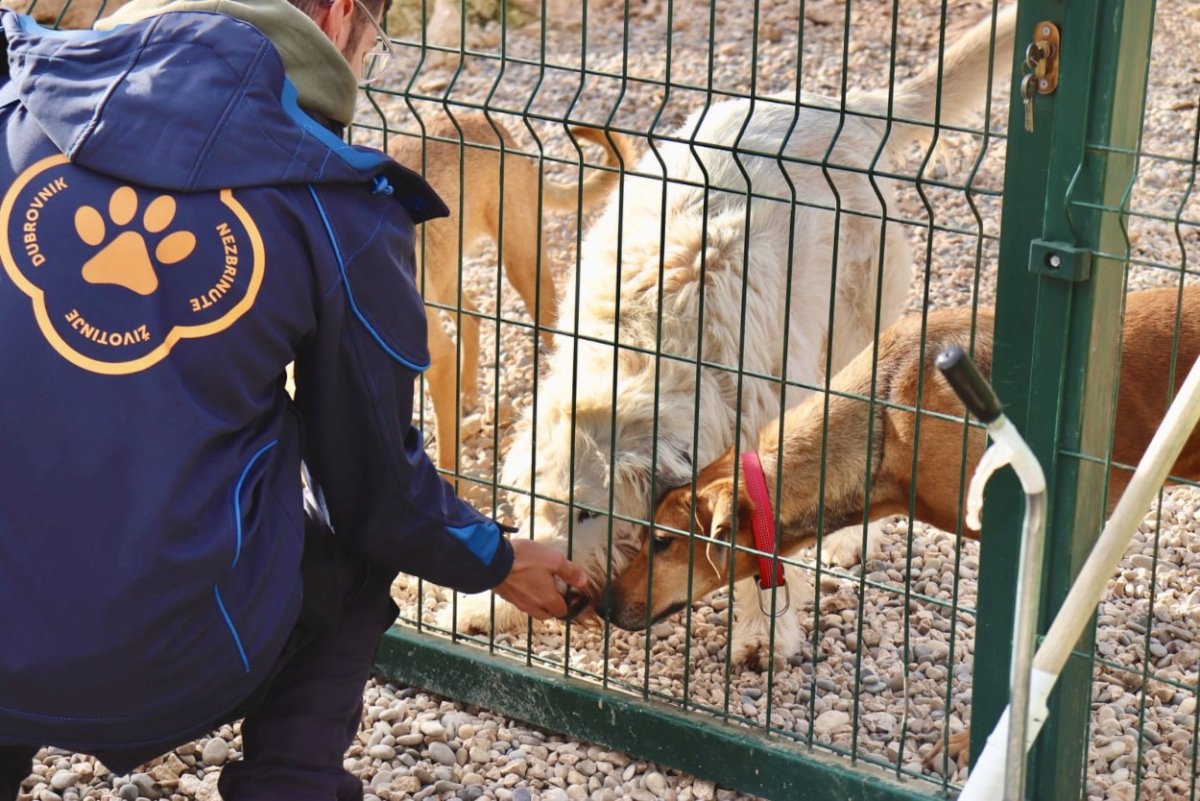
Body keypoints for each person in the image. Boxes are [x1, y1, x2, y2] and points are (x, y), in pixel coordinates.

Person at [0, 0, 586, 798]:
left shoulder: (16, 94)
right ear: (340, 15)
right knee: (351, 534)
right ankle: (290, 779)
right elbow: (380, 494)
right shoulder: (339, 201)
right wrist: (493, 554)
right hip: (172, 660)